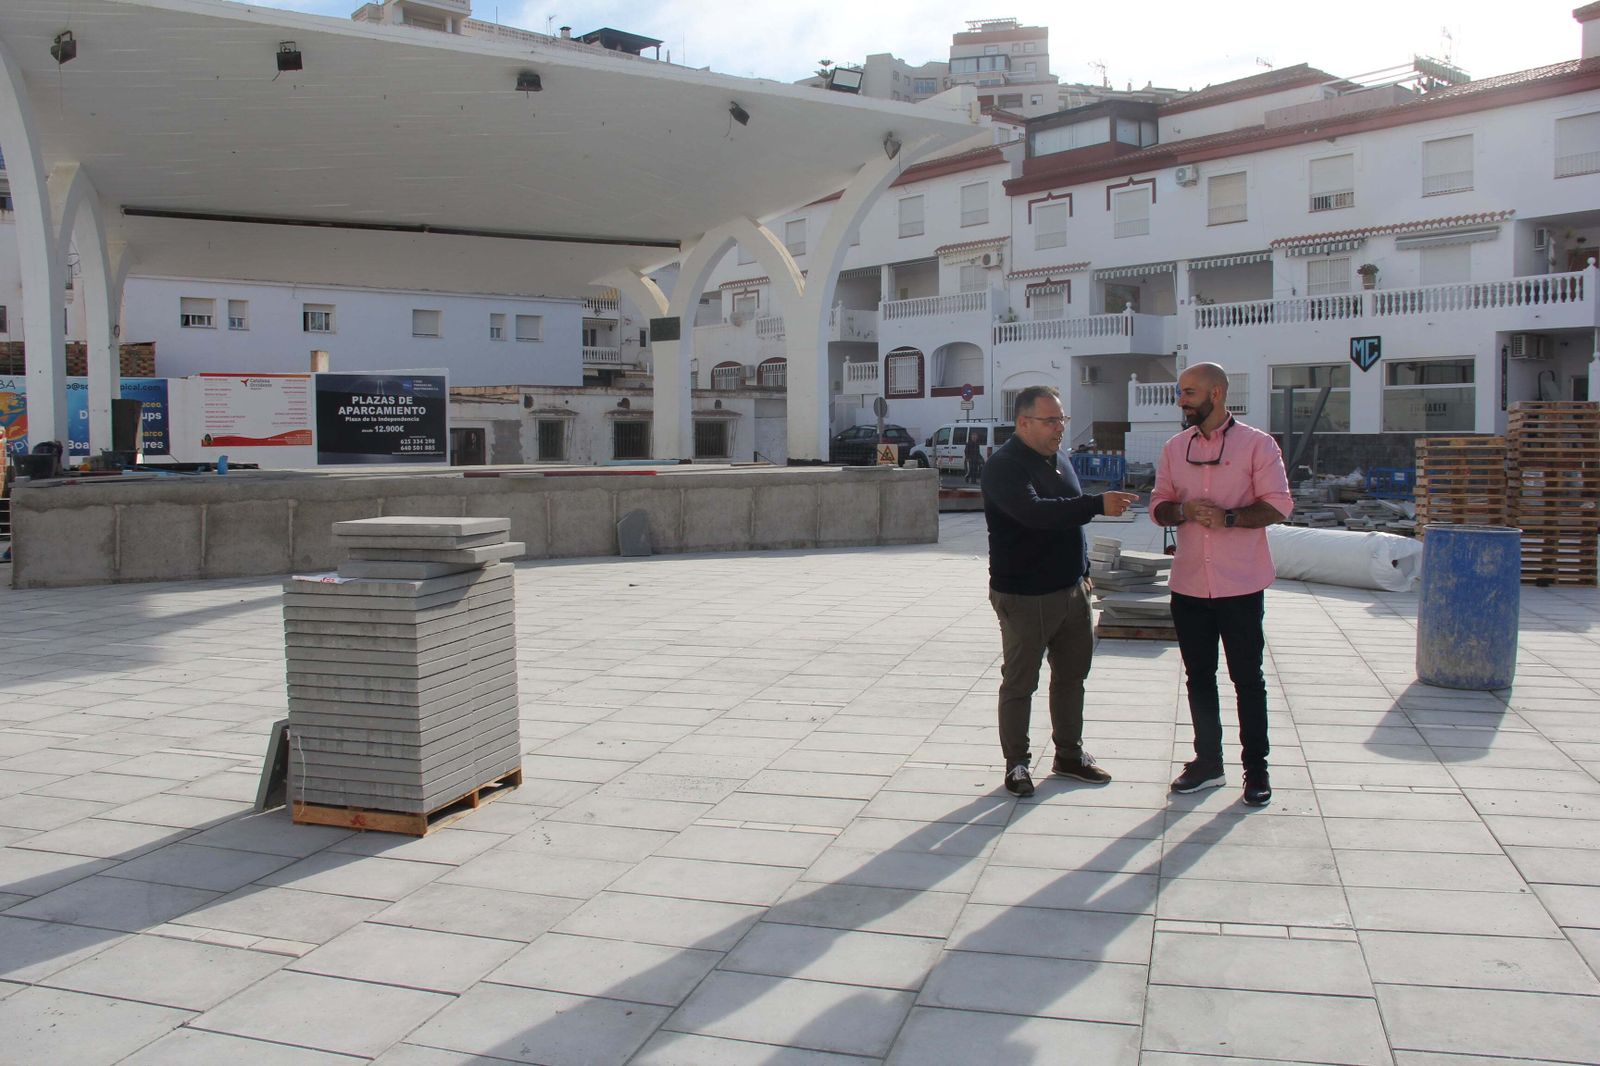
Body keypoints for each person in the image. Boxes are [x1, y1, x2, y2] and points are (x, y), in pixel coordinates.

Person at [982, 385, 1140, 797]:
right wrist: (1095, 504)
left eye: (1062, 419)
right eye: (1050, 420)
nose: (1059, 428)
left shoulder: (1060, 459)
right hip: (1025, 595)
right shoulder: (1005, 465)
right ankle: (1017, 763)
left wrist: (1084, 573)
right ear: (1023, 423)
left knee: (1072, 677)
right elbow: (1033, 514)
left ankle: (1069, 754)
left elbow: (1068, 519)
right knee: (1020, 682)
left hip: (1072, 590)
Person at [1150, 363, 1293, 807]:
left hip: (1241, 584)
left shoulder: (1257, 445)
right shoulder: (1175, 448)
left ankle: (1257, 771)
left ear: (1215, 394)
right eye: (1180, 392)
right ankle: (1208, 762)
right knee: (1198, 678)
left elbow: (1279, 505)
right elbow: (1158, 505)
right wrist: (1183, 512)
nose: (1181, 400)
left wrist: (1230, 518)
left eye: (1188, 392)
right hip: (1190, 584)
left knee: (1247, 679)